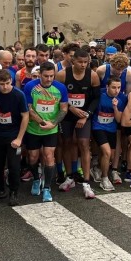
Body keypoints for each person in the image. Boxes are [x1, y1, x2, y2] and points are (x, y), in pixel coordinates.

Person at [56, 48, 100, 199]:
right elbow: (57, 97)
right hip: (67, 115)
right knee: (67, 143)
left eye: (85, 62)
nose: (83, 65)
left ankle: (86, 182)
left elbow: (96, 98)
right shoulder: (62, 75)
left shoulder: (93, 75)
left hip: (84, 115)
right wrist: (71, 107)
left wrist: (86, 115)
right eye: (80, 62)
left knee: (83, 143)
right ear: (73, 61)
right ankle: (69, 176)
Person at [24, 62, 69, 202]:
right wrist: (42, 122)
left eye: (51, 76)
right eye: (45, 76)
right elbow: (29, 109)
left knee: (49, 156)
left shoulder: (60, 88)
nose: (49, 79)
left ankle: (47, 188)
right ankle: (36, 179)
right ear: (40, 75)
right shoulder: (30, 86)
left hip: (51, 129)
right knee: (33, 157)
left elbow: (64, 109)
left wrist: (53, 123)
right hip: (33, 129)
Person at [0, 69, 29, 206]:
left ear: (11, 81)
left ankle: (14, 192)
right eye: (2, 84)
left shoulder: (19, 95)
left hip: (13, 135)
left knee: (14, 165)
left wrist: (19, 138)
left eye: (7, 83)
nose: (5, 87)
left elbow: (25, 116)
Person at [91, 78, 127, 191]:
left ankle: (97, 168)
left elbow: (119, 119)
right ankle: (104, 179)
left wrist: (115, 107)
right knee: (106, 152)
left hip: (111, 129)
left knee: (109, 155)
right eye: (113, 87)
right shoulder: (100, 96)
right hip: (98, 126)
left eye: (119, 88)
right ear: (107, 87)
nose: (116, 90)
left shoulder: (121, 99)